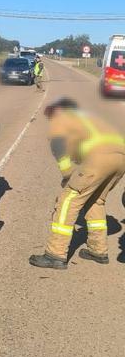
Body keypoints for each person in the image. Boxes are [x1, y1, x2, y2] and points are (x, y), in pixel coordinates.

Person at [29, 97, 125, 269]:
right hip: (120, 159)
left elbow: (58, 145)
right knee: (96, 201)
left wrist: (67, 174)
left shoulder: (61, 117)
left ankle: (55, 254)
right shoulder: (88, 119)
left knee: (68, 201)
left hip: (99, 159)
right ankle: (98, 250)